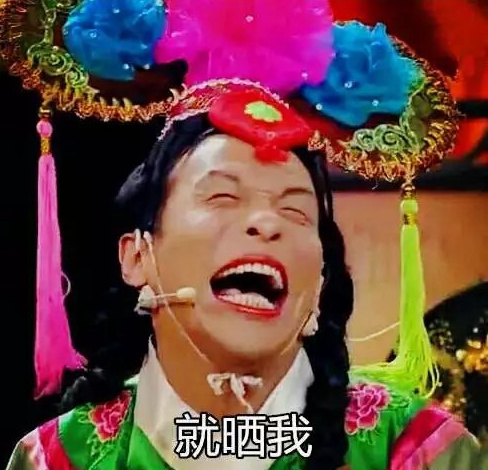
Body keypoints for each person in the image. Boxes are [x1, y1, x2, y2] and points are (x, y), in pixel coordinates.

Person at [1, 1, 486, 469]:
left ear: (321, 275)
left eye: (295, 210)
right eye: (222, 197)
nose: (267, 223)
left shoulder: (413, 448)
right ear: (137, 255)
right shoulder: (62, 458)